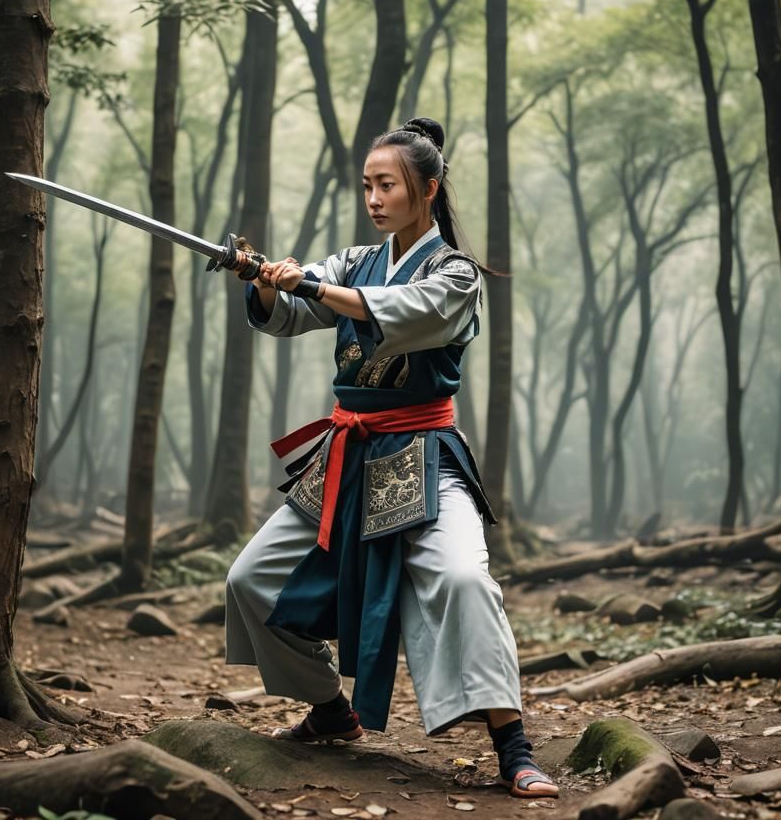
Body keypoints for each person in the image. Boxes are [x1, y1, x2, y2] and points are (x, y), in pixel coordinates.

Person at [223, 118, 558, 799]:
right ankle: (328, 710)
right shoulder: (354, 262)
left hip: (422, 455)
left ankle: (514, 748)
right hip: (347, 454)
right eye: (369, 186)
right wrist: (263, 279)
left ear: (427, 191)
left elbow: (397, 312)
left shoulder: (456, 274)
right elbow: (292, 308)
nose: (375, 199)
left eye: (389, 185)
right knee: (250, 579)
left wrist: (308, 286)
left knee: (464, 578)